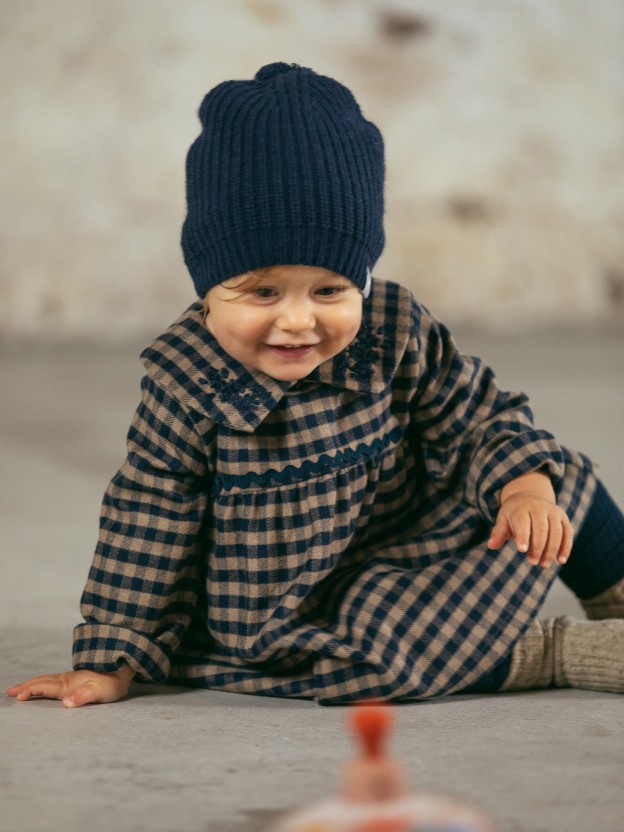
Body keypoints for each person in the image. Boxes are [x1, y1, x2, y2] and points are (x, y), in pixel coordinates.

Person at [8, 62, 624, 709]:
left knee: (559, 480)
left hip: (411, 543)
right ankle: (544, 650)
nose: (297, 320)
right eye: (262, 292)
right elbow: (147, 521)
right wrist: (112, 659)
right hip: (300, 611)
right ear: (207, 284)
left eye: (330, 290)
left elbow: (474, 419)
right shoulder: (187, 383)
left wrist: (523, 487)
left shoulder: (394, 327)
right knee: (372, 665)